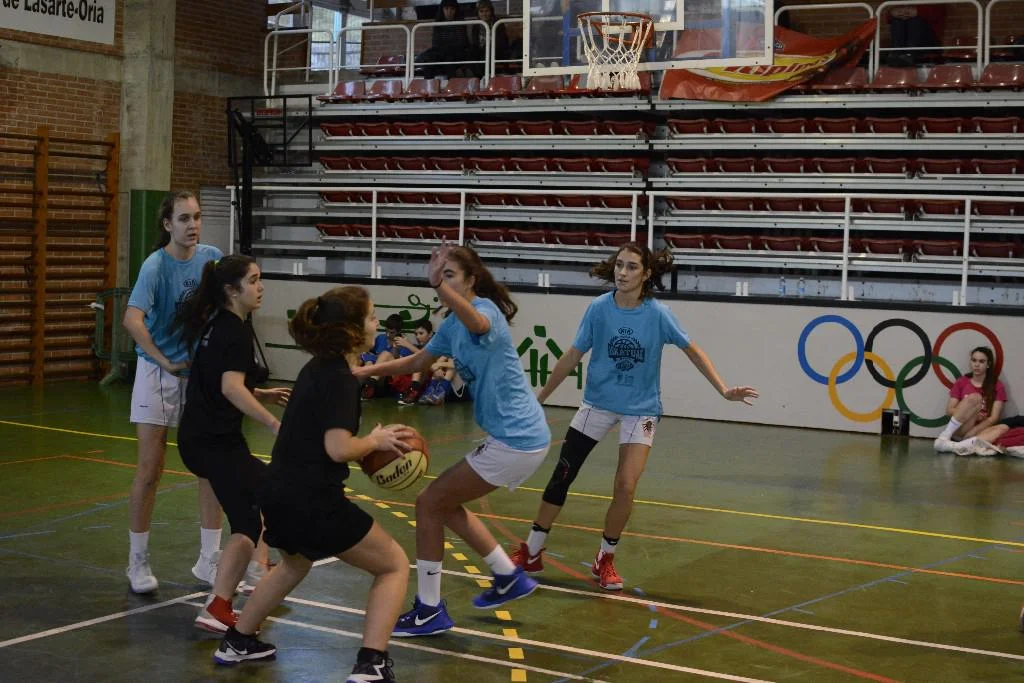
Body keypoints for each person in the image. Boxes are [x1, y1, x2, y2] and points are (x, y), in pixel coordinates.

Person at [510, 243, 758, 590]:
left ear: (646, 274)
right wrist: (539, 400)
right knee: (562, 474)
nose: (622, 273)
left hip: (641, 410)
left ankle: (605, 559)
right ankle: (532, 550)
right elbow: (572, 355)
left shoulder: (658, 314)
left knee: (626, 486)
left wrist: (723, 390)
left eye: (631, 267)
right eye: (619, 265)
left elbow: (693, 351)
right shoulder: (599, 308)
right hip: (597, 404)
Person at [215, 286, 412, 683]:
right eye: (372, 317)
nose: (377, 324)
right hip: (312, 500)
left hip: (278, 492)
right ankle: (372, 663)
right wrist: (374, 442)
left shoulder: (316, 368)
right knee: (394, 565)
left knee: (294, 563)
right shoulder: (340, 379)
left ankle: (238, 640)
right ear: (352, 330)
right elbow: (338, 448)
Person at [354, 244, 550, 637]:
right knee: (444, 503)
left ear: (471, 280)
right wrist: (362, 373)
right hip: (515, 437)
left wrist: (438, 287)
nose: (443, 283)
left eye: (450, 276)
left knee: (429, 503)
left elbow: (477, 323)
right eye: (440, 276)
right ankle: (507, 575)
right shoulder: (449, 327)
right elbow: (416, 362)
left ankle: (430, 609)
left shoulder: (485, 312)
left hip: (517, 437)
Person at [174, 255, 290, 632]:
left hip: (201, 439)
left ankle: (233, 591)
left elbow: (221, 381)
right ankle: (222, 602)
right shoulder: (235, 331)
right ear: (231, 290)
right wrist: (272, 421)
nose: (260, 287)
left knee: (260, 501)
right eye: (253, 281)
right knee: (252, 513)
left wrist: (262, 394)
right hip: (215, 443)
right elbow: (229, 387)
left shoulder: (217, 324)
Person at [123, 190, 223, 594]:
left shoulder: (212, 259)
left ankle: (209, 559)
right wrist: (162, 360)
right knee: (150, 469)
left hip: (198, 374)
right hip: (158, 372)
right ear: (168, 224)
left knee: (211, 466)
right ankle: (137, 561)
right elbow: (132, 319)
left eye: (196, 217)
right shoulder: (155, 266)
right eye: (184, 218)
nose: (193, 225)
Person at [935, 346, 1007, 447]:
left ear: (988, 364)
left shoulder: (997, 385)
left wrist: (974, 431)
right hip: (962, 428)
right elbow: (949, 410)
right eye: (974, 360)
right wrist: (971, 413)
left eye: (981, 361)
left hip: (980, 430)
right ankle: (945, 435)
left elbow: (994, 418)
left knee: (1003, 428)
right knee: (975, 398)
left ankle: (959, 446)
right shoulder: (962, 382)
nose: (977, 365)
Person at [361, 314, 416, 400]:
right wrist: (369, 360)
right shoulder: (381, 338)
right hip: (378, 377)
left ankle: (370, 384)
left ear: (399, 331)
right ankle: (367, 387)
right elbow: (369, 352)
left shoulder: (404, 343)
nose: (388, 335)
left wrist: (393, 351)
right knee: (366, 359)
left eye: (391, 332)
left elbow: (402, 366)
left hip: (391, 381)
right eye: (386, 331)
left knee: (385, 354)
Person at [417, 0, 470, 79]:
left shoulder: (460, 23)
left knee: (449, 59)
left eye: (452, 9)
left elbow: (461, 43)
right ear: (442, 10)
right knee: (428, 60)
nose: (449, 12)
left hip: (456, 53)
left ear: (456, 10)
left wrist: (446, 49)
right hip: (441, 53)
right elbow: (436, 43)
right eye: (446, 9)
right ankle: (428, 85)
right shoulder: (438, 23)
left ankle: (452, 85)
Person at [468, 0, 510, 78]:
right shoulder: (476, 26)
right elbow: (475, 43)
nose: (484, 14)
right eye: (481, 11)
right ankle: (479, 76)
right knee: (471, 52)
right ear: (478, 13)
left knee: (488, 49)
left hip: (496, 51)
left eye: (487, 11)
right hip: (481, 51)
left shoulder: (498, 23)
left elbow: (501, 42)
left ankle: (486, 76)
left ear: (491, 11)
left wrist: (487, 46)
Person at [397, 320, 434, 405]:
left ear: (430, 334)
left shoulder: (435, 346)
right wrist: (397, 348)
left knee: (419, 362)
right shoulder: (416, 347)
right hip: (415, 379)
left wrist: (408, 345)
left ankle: (413, 393)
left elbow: (424, 357)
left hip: (431, 378)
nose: (418, 337)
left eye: (421, 333)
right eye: (416, 334)